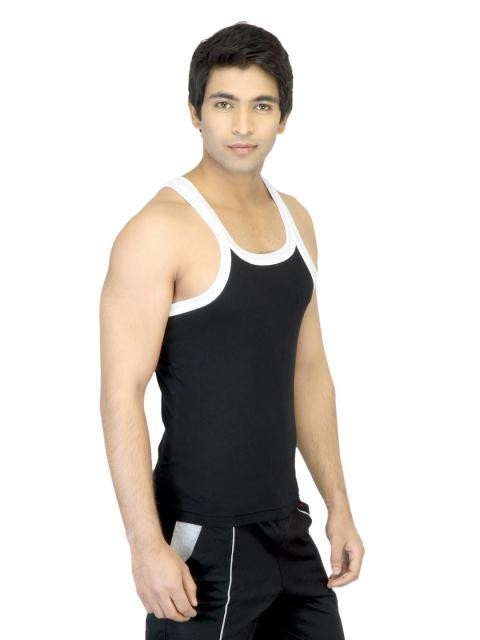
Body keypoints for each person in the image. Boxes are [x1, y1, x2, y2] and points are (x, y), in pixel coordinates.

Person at [99, 20, 364, 640]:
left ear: (283, 117)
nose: (243, 125)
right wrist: (145, 546)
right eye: (224, 104)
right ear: (195, 112)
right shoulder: (157, 230)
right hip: (203, 542)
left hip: (289, 530)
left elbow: (308, 372)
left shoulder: (296, 220)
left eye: (261, 106)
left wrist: (339, 506)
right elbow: (120, 394)